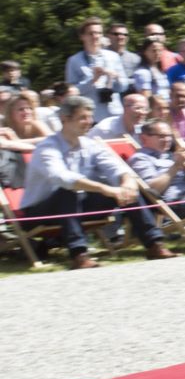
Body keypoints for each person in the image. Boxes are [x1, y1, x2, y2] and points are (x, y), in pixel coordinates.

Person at [19, 96, 173, 267]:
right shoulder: (47, 147)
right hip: (38, 213)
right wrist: (104, 189)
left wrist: (126, 182)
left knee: (127, 189)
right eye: (82, 118)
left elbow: (117, 167)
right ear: (65, 119)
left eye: (90, 117)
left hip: (77, 206)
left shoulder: (90, 144)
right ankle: (79, 255)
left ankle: (154, 244)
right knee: (68, 192)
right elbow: (62, 178)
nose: (89, 122)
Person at [65, 16, 130, 120]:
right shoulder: (74, 61)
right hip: (90, 117)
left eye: (99, 33)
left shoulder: (113, 56)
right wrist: (92, 80)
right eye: (91, 33)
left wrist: (116, 77)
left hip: (114, 115)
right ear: (82, 36)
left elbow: (123, 87)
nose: (95, 36)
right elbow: (72, 94)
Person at [0, 91, 50, 188]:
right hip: (12, 170)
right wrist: (35, 147)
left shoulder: (36, 124)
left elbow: (52, 140)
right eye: (21, 109)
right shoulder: (2, 123)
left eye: (29, 108)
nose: (27, 112)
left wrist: (17, 142)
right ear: (10, 112)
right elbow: (3, 144)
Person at [131, 37, 171, 101]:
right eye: (154, 50)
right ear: (145, 52)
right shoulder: (143, 72)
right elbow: (146, 98)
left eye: (160, 50)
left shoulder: (160, 70)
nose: (157, 53)